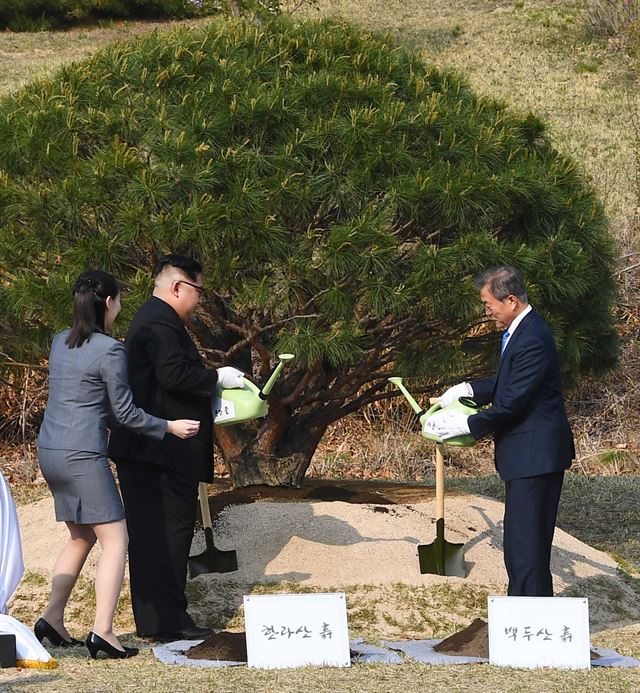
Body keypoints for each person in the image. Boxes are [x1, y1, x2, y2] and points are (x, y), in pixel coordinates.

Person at [36, 270, 201, 659]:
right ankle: (104, 632)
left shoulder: (60, 341)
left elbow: (85, 400)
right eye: (120, 301)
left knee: (81, 536)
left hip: (51, 451)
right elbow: (124, 412)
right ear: (108, 303)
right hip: (82, 456)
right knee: (117, 539)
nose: (120, 307)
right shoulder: (110, 350)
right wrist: (169, 426)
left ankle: (51, 619)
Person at [108, 255, 244, 642]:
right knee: (167, 535)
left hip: (152, 450)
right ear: (178, 287)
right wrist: (217, 377)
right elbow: (174, 375)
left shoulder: (156, 319)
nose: (200, 300)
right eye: (198, 291)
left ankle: (157, 619)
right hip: (160, 453)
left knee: (153, 536)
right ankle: (169, 620)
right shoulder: (159, 322)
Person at [433, 265, 574, 597]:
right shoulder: (518, 332)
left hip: (536, 457)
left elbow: (512, 404)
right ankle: (528, 619)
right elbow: (505, 384)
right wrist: (469, 388)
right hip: (525, 457)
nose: (487, 312)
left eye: (488, 304)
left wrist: (466, 424)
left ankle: (530, 625)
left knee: (527, 549)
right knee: (520, 546)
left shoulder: (534, 338)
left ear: (510, 300)